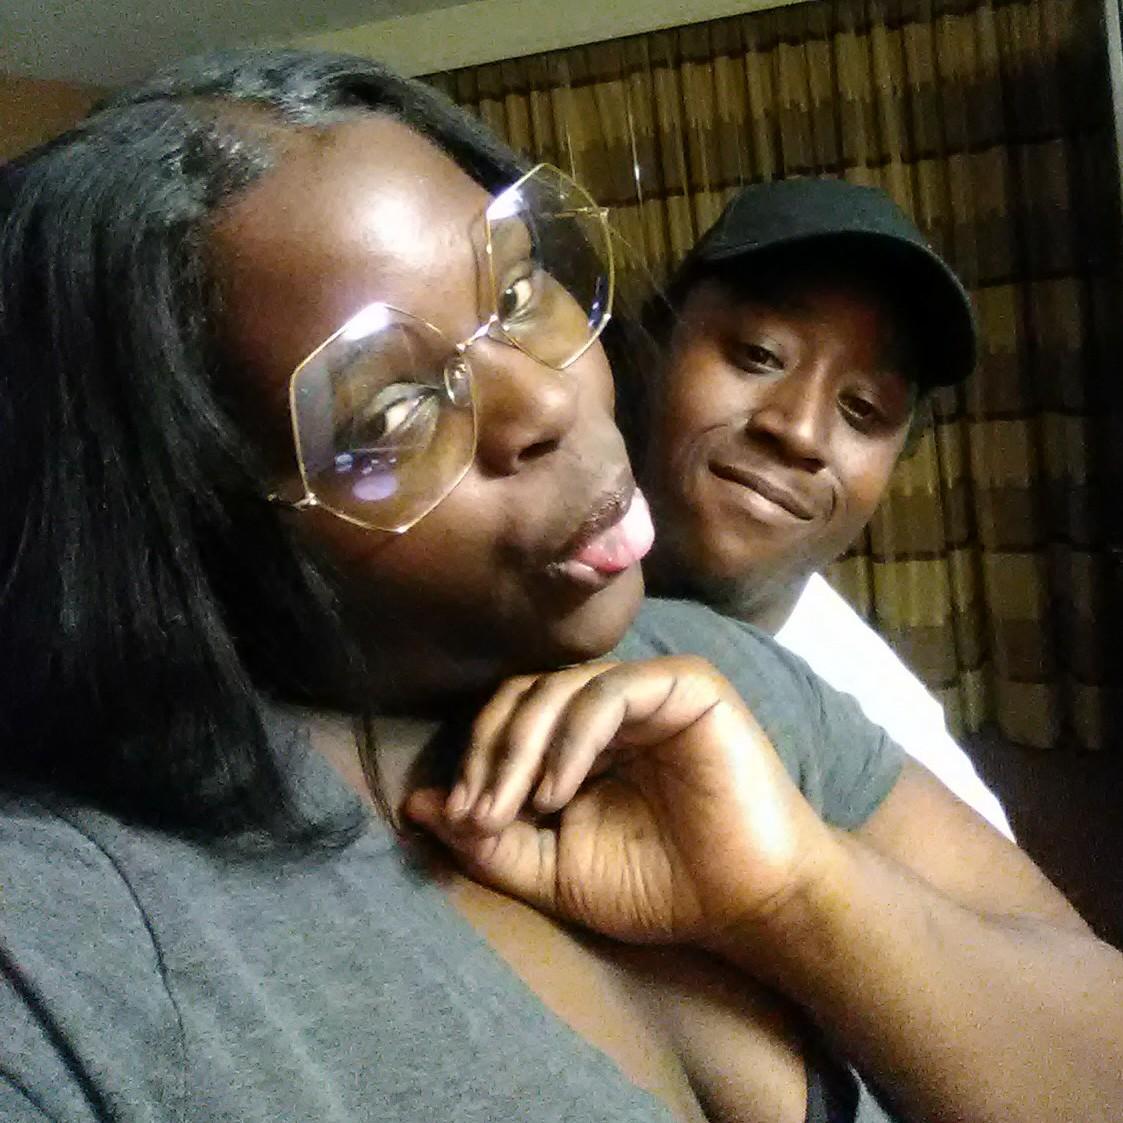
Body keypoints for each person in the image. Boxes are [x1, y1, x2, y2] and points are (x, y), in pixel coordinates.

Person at [1, 48, 1121, 1123]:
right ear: (189, 520)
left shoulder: (708, 677)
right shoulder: (71, 961)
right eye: (390, 404)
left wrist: (797, 894)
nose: (546, 396)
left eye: (520, 286)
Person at [629, 179, 1013, 837]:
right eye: (759, 354)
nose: (800, 431)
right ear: (656, 343)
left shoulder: (901, 761)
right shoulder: (501, 572)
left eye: (863, 408)